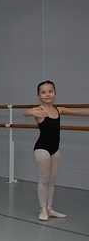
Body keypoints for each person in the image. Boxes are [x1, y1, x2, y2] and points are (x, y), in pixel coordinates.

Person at [24, 80, 89, 221]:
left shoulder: (59, 110)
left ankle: (49, 208)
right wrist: (30, 111)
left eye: (50, 91)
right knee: (44, 179)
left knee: (52, 180)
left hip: (55, 149)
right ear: (39, 95)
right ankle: (42, 209)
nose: (47, 94)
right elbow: (26, 112)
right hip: (42, 149)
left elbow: (79, 111)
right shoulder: (39, 111)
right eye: (43, 92)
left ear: (54, 93)